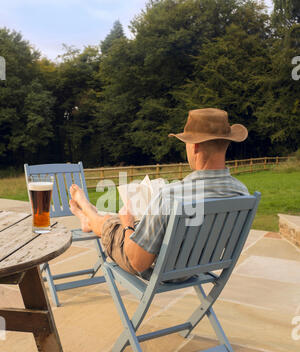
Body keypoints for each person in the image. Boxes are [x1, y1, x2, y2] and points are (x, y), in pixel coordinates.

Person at [69, 108, 249, 278]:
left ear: (194, 147)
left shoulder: (171, 196)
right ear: (226, 144)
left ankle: (88, 214)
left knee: (112, 223)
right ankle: (91, 218)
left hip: (163, 271)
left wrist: (127, 226)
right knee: (126, 219)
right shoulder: (242, 193)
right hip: (197, 266)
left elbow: (138, 262)